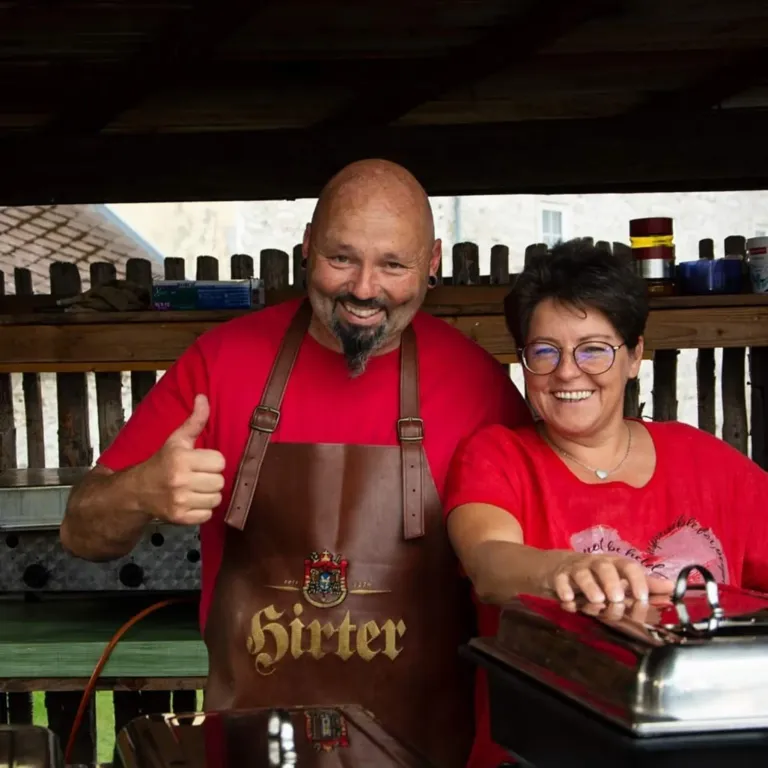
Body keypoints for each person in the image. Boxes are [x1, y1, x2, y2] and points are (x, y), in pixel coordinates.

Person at [60, 158, 532, 768]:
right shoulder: (220, 364)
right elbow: (80, 531)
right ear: (306, 247)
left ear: (432, 262)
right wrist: (140, 492)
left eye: (393, 264)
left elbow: (531, 588)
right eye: (342, 258)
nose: (364, 288)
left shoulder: (481, 389)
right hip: (252, 752)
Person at [443, 238, 768, 768]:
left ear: (635, 355)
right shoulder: (497, 457)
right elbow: (488, 562)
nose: (568, 372)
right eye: (545, 351)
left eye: (594, 348)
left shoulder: (707, 463)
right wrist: (567, 569)